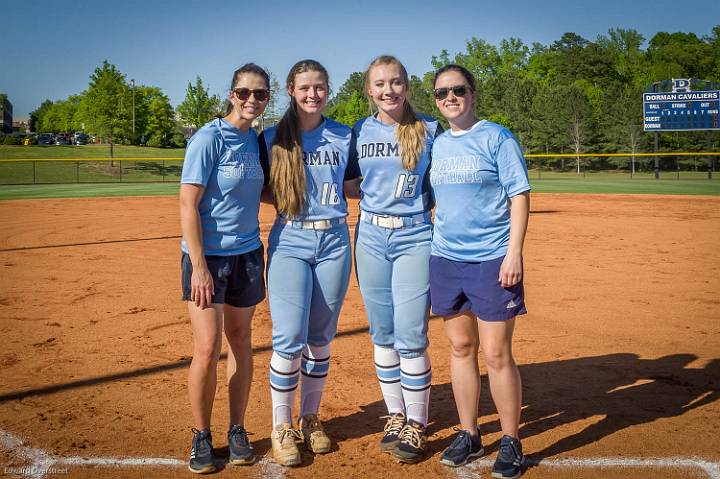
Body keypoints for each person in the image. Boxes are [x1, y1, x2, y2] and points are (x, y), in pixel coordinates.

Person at [429, 64, 530, 479]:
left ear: (472, 94)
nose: (449, 98)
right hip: (446, 258)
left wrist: (514, 253)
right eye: (441, 93)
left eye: (457, 90)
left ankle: (510, 440)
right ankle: (469, 433)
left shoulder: (496, 136)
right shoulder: (436, 143)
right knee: (460, 348)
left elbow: (519, 195)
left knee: (496, 353)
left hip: (492, 258)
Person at [259, 59, 358, 467]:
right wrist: (288, 202)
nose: (312, 94)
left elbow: (351, 185)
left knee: (320, 338)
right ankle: (281, 425)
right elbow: (258, 188)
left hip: (335, 239)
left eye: (319, 87)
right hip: (291, 239)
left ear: (327, 90)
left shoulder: (343, 135)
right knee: (288, 339)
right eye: (305, 88)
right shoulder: (271, 139)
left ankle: (310, 417)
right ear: (291, 90)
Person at [346, 55, 441, 463]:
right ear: (369, 90)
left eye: (396, 82)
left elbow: (440, 185)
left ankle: (417, 423)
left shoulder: (430, 131)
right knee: (383, 332)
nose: (389, 90)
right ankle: (395, 415)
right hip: (369, 235)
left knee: (411, 333)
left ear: (407, 86)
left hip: (415, 235)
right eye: (380, 84)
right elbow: (350, 183)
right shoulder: (357, 132)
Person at [179, 63, 271, 474]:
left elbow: (264, 190)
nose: (252, 100)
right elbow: (187, 205)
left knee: (240, 340)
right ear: (232, 94)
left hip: (247, 254)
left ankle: (237, 429)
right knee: (206, 347)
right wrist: (198, 266)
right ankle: (201, 435)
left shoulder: (256, 141)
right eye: (244, 92)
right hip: (208, 259)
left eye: (260, 94)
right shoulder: (209, 138)